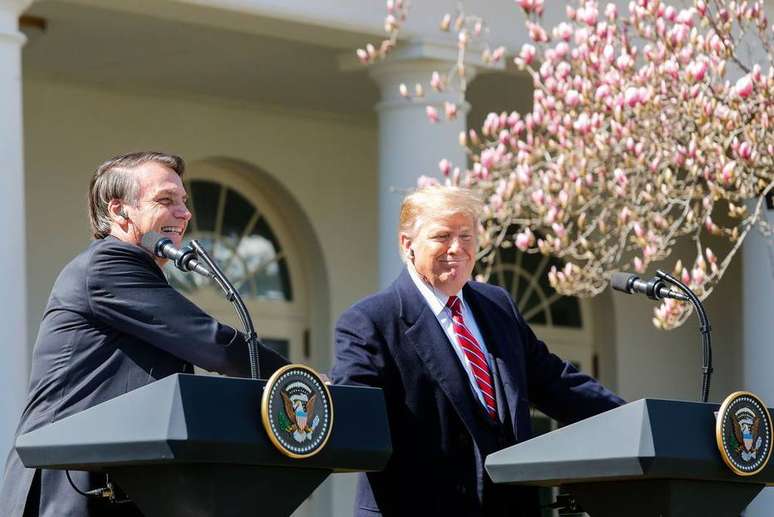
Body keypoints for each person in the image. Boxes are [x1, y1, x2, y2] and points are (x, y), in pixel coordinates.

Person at [0, 151, 289, 517]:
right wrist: (296, 383)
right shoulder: (107, 266)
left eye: (184, 202)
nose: (184, 213)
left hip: (116, 481)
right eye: (165, 200)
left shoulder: (135, 272)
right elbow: (212, 343)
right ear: (119, 210)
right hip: (68, 485)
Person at [331, 186, 625, 517]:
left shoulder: (497, 306)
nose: (457, 248)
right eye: (442, 236)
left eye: (466, 236)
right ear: (407, 244)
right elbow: (356, 419)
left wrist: (631, 419)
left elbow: (556, 381)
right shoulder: (369, 323)